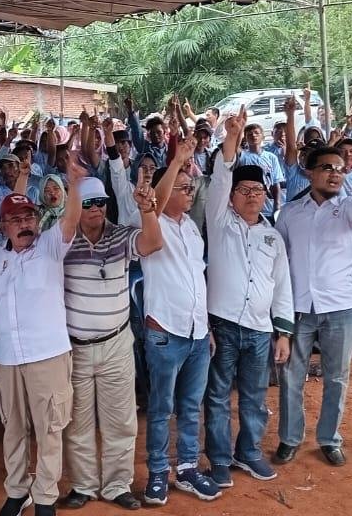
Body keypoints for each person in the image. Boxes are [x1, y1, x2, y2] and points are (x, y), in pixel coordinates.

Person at [274, 99, 352, 468]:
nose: (335, 174)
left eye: (339, 168)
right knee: (291, 377)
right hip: (298, 308)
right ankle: (289, 438)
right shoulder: (289, 213)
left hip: (340, 308)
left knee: (337, 377)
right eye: (327, 168)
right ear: (309, 173)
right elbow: (278, 262)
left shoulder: (348, 206)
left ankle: (329, 438)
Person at [0, 161, 86, 516]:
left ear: (38, 220)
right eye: (15, 220)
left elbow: (70, 221)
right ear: (3, 226)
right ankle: (17, 490)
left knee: (49, 428)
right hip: (6, 357)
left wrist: (74, 186)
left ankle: (45, 497)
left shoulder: (51, 245)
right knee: (13, 428)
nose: (24, 224)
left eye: (29, 217)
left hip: (48, 354)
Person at [59, 176, 162, 511]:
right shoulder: (63, 240)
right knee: (77, 423)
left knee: (121, 421)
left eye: (100, 202)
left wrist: (147, 211)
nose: (96, 209)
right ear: (76, 207)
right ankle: (83, 486)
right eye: (87, 203)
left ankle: (118, 485)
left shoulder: (120, 235)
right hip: (75, 347)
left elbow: (152, 243)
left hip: (116, 344)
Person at [203, 107, 294, 485]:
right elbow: (221, 178)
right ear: (231, 197)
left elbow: (282, 286)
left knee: (255, 396)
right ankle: (219, 458)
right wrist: (232, 138)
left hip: (259, 330)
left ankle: (249, 452)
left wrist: (283, 332)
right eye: (244, 191)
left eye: (258, 191)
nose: (252, 196)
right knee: (218, 395)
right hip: (223, 324)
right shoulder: (219, 222)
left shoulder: (272, 236)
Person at [139, 137, 221, 506]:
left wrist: (207, 328)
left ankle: (187, 468)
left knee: (190, 407)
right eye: (183, 188)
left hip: (197, 333)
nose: (190, 193)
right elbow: (154, 202)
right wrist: (175, 163)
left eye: (191, 187)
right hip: (165, 332)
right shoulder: (151, 223)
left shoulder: (190, 227)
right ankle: (158, 472)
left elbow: (197, 281)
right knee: (161, 409)